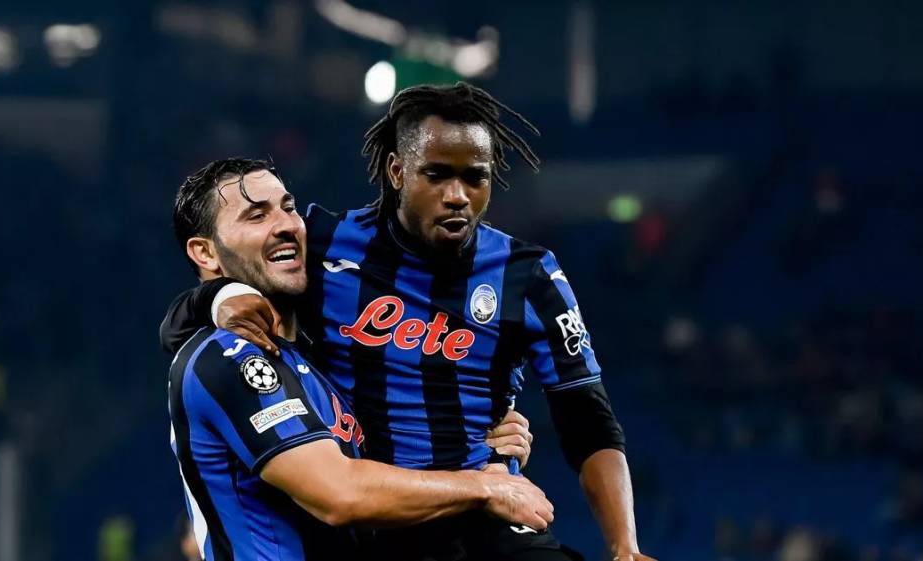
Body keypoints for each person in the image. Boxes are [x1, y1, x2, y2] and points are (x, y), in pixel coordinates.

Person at [162, 83, 653, 560]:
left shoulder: (529, 276)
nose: (457, 195)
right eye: (436, 175)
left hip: (490, 513)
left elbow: (588, 420)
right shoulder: (323, 244)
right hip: (383, 515)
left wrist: (624, 546)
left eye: (475, 178)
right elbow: (192, 329)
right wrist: (216, 296)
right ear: (397, 171)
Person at [168, 158, 554, 560]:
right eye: (256, 215)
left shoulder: (318, 359)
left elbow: (379, 487)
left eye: (288, 207)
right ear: (205, 252)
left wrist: (480, 442)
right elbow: (340, 494)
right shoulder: (231, 356)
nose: (285, 224)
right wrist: (484, 487)